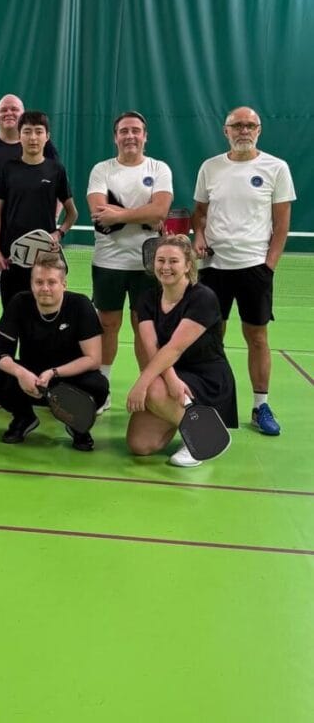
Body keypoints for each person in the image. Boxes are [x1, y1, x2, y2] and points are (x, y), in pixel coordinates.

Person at [192, 106, 296, 436]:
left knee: (257, 337)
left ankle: (260, 405)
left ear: (259, 130)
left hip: (255, 268)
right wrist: (198, 236)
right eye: (237, 125)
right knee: (212, 337)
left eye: (250, 125)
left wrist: (269, 267)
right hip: (214, 268)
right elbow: (199, 213)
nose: (244, 130)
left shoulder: (276, 168)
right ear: (226, 131)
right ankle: (213, 401)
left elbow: (281, 225)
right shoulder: (210, 167)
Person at [86, 111, 173, 414]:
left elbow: (160, 211)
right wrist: (143, 215)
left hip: (147, 265)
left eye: (136, 130)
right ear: (116, 137)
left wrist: (120, 215)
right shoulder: (102, 170)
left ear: (145, 136)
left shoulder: (159, 168)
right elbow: (100, 215)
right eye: (124, 131)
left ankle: (147, 389)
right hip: (108, 262)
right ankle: (102, 389)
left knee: (144, 328)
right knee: (107, 325)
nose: (130, 136)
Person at [126, 235, 238, 467]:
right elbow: (152, 348)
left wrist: (142, 384)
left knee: (153, 388)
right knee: (140, 444)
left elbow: (174, 348)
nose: (165, 267)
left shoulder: (203, 298)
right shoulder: (147, 299)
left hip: (207, 377)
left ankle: (202, 436)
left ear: (188, 265)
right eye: (160, 260)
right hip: (173, 374)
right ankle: (186, 417)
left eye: (173, 261)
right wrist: (171, 380)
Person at [0, 254, 107, 451]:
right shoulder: (20, 302)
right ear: (31, 284)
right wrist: (21, 373)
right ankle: (24, 417)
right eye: (39, 282)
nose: (45, 288)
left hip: (67, 379)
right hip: (30, 380)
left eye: (51, 282)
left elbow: (93, 359)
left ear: (64, 284)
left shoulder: (80, 305)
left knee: (98, 386)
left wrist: (54, 373)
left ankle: (76, 424)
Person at [0, 110, 76, 309]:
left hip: (45, 258)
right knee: (13, 314)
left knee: (45, 314)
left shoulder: (56, 170)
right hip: (12, 258)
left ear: (47, 136)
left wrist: (59, 233)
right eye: (27, 132)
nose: (33, 137)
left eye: (38, 131)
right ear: (19, 136)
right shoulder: (7, 168)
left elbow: (72, 213)